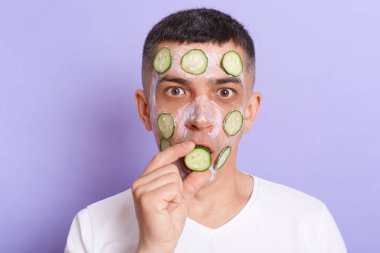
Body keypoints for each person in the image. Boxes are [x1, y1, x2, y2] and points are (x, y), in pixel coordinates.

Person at [65, 8, 347, 253]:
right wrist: (154, 248)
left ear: (249, 112)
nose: (200, 119)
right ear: (145, 110)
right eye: (176, 91)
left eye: (224, 92)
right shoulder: (93, 227)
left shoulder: (309, 222)